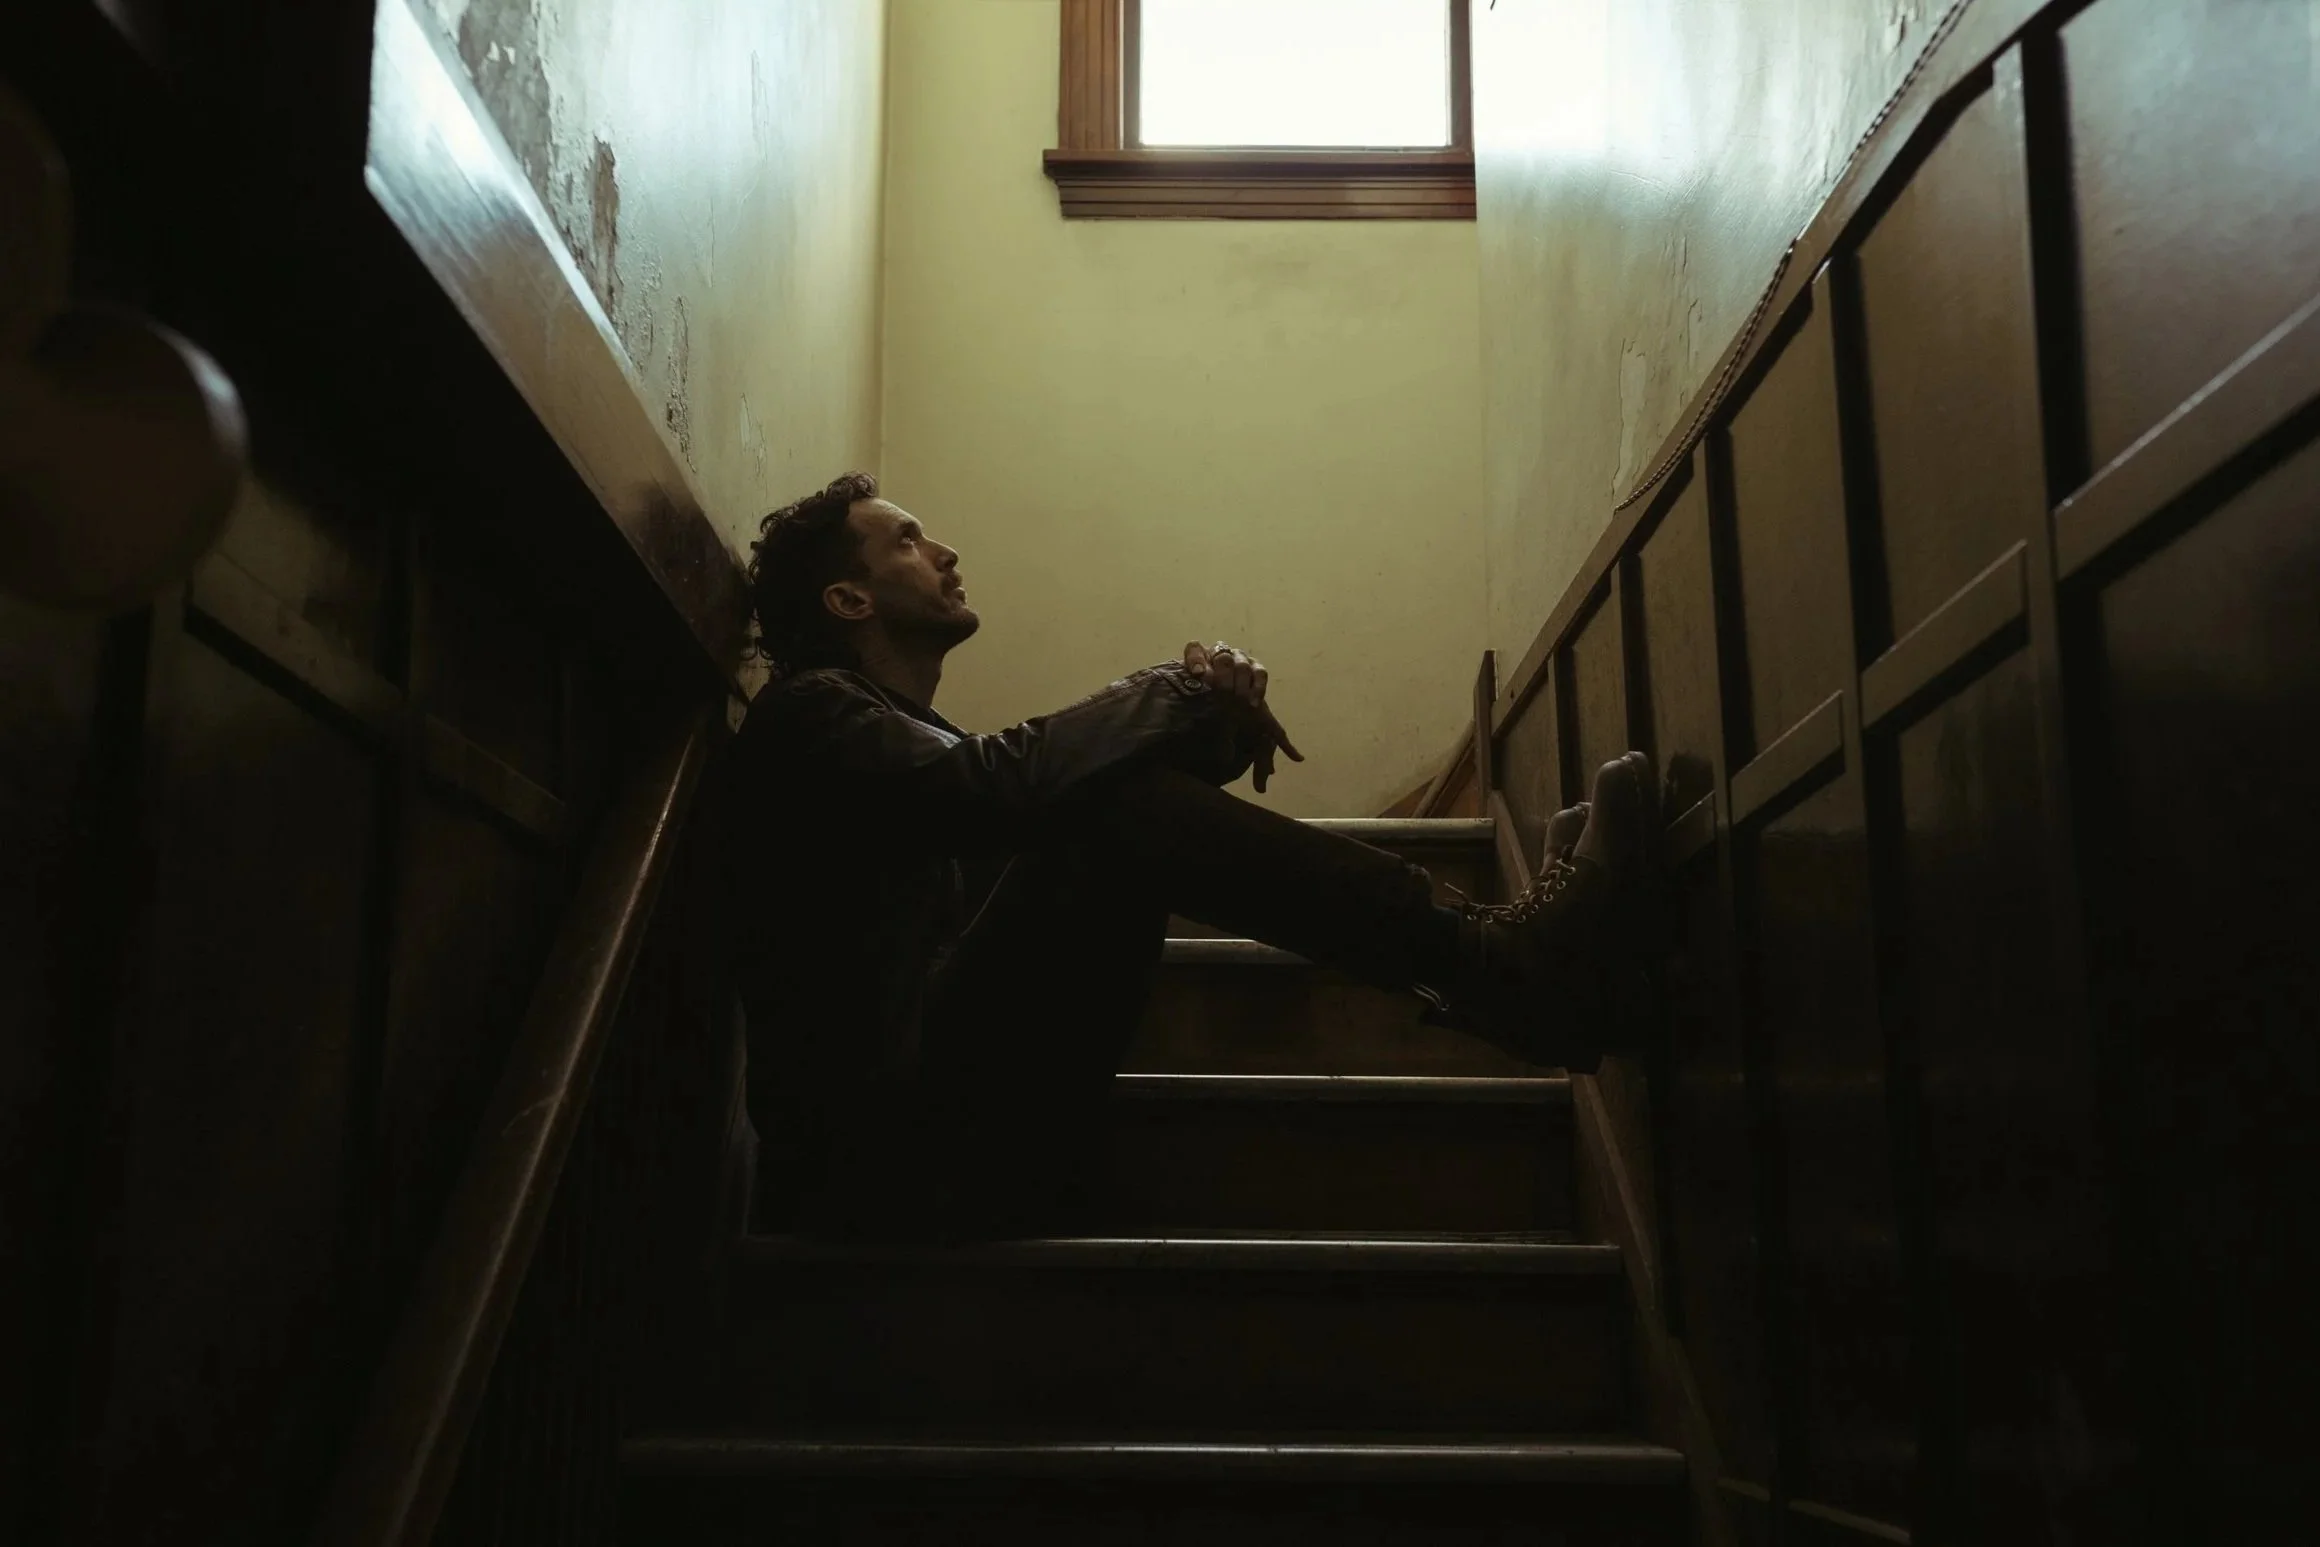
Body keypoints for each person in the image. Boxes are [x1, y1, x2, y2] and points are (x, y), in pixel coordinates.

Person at [716, 472, 1659, 1239]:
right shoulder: (809, 715)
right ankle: (1506, 967)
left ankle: (1507, 969)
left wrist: (1200, 720)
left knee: (1106, 809)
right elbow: (998, 788)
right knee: (1108, 812)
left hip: (950, 1138)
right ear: (849, 596)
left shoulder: (902, 744)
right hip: (881, 1172)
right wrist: (1176, 690)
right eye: (909, 539)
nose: (946, 550)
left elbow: (1021, 797)